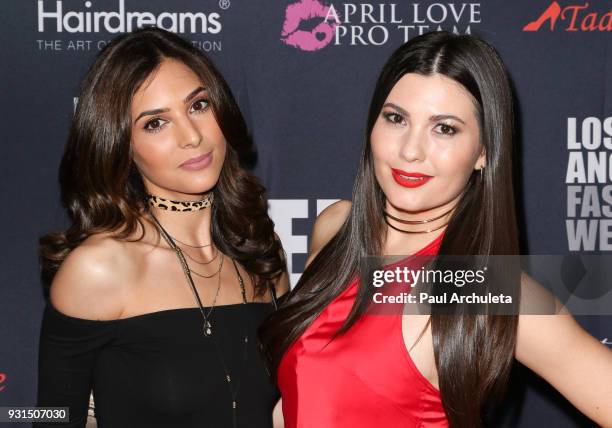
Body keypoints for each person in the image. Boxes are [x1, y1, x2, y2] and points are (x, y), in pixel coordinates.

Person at [259, 31, 612, 427]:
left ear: (484, 152)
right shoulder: (335, 227)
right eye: (396, 118)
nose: (410, 150)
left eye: (444, 128)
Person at [35, 27, 288, 428]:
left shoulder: (260, 253)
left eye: (199, 105)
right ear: (120, 144)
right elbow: (51, 418)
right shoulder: (101, 268)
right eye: (155, 123)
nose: (191, 137)